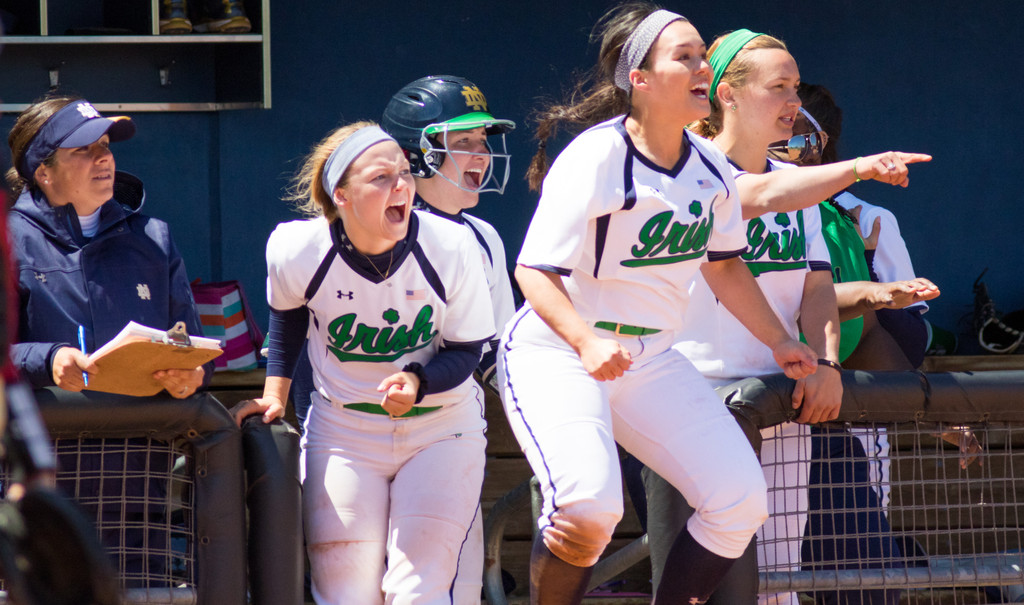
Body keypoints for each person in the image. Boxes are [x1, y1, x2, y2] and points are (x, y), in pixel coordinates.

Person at [500, 6, 823, 604]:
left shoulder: (709, 167)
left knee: (740, 499)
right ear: (640, 79)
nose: (701, 66)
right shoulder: (598, 155)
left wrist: (780, 339)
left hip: (650, 356)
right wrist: (585, 341)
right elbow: (533, 270)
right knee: (588, 508)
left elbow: (724, 266)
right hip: (562, 352)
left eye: (703, 55)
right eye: (684, 56)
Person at [642, 30, 935, 605]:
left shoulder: (795, 184)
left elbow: (816, 286)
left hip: (781, 395)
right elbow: (756, 195)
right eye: (778, 87)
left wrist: (826, 362)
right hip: (697, 395)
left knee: (777, 580)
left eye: (796, 87)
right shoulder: (687, 167)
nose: (794, 101)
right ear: (727, 94)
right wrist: (861, 167)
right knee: (706, 581)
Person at [232, 122, 495, 604]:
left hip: (440, 428)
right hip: (344, 430)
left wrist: (417, 382)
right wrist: (274, 395)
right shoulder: (296, 248)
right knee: (346, 595)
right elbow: (288, 317)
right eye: (381, 177)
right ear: (342, 195)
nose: (401, 185)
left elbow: (466, 350)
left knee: (418, 591)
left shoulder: (451, 246)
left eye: (404, 172)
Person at [6, 96, 212, 582]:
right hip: (41, 487)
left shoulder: (154, 238)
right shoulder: (8, 241)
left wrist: (191, 375)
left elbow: (193, 344)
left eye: (105, 145)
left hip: (140, 486)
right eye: (83, 149)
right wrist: (49, 358)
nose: (104, 158)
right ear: (43, 172)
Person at [381, 74, 516, 603]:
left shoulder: (484, 237)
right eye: (463, 142)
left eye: (483, 141)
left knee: (454, 588)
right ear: (416, 156)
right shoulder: (371, 230)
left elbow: (500, 355)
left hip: (451, 431)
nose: (481, 154)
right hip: (367, 426)